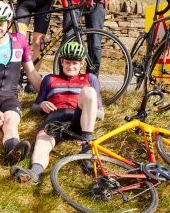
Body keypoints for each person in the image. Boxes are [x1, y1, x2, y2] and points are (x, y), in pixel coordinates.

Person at [10, 41, 103, 184]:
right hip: (55, 119)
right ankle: (34, 174)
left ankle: (86, 146)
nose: (71, 66)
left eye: (75, 63)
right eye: (67, 62)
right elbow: (35, 106)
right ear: (61, 61)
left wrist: (87, 109)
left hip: (78, 118)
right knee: (42, 144)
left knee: (88, 92)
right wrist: (42, 104)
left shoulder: (90, 78)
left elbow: (100, 113)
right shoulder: (49, 79)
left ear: (82, 63)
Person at [0, 1, 42, 165]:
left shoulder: (20, 41)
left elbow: (31, 72)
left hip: (10, 97)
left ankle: (13, 151)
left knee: (10, 123)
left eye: (1, 24)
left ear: (9, 23)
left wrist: (47, 95)